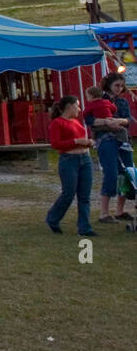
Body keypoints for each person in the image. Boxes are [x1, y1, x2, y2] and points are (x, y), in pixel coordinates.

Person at [85, 74, 133, 224]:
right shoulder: (99, 100)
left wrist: (118, 120)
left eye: (121, 85)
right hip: (106, 139)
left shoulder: (122, 101)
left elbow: (128, 119)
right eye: (116, 85)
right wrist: (106, 121)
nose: (119, 88)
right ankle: (104, 213)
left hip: (122, 140)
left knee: (127, 172)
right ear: (109, 85)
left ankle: (120, 210)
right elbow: (89, 119)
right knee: (111, 173)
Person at [46, 96, 96, 236]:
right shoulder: (57, 123)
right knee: (69, 193)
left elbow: (80, 139)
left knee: (84, 195)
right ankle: (53, 218)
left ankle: (85, 228)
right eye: (77, 106)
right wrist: (76, 141)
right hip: (69, 160)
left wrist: (88, 142)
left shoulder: (75, 122)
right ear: (69, 106)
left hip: (85, 159)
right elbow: (55, 144)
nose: (79, 109)